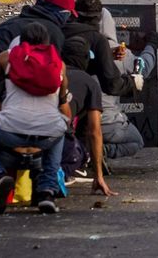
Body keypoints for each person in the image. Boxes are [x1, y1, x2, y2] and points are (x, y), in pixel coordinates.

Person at [0, 23, 69, 214]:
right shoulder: (59, 64)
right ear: (47, 42)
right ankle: (47, 190)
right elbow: (64, 105)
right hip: (48, 133)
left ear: (21, 41)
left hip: (9, 129)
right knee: (60, 128)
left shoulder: (7, 57)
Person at [0, 0, 76, 83]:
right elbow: (53, 68)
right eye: (69, 14)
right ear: (63, 12)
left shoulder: (20, 20)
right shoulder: (52, 31)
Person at [98, 8, 158, 160]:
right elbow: (142, 68)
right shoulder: (118, 52)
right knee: (136, 141)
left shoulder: (70, 47)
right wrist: (151, 46)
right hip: (106, 120)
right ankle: (98, 152)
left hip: (74, 120)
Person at [60, 36, 116, 196]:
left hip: (19, 132)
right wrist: (98, 175)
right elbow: (94, 131)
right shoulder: (89, 83)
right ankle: (57, 174)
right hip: (57, 138)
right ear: (86, 59)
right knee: (77, 155)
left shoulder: (49, 72)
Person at [62, 0, 144, 97]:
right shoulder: (98, 40)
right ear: (98, 18)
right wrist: (132, 83)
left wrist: (106, 55)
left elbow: (78, 63)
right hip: (80, 98)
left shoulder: (57, 32)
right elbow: (112, 85)